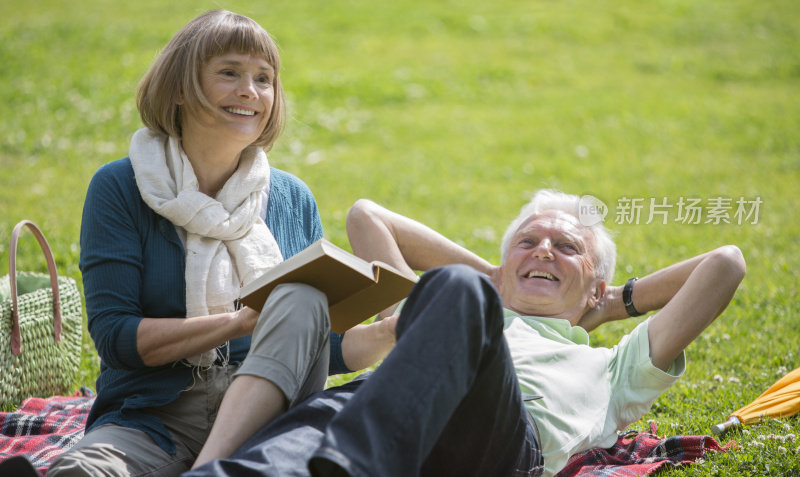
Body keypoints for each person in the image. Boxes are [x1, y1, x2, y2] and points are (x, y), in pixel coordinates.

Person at [47, 10, 395, 477]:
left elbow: (320, 347)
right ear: (177, 88)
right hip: (154, 419)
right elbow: (117, 340)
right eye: (229, 73)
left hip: (270, 423)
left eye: (264, 79)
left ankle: (211, 468)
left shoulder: (291, 198)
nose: (250, 91)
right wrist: (241, 322)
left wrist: (391, 331)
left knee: (299, 296)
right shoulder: (121, 187)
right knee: (79, 471)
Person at [184, 189, 746, 477]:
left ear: (597, 286)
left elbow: (725, 263)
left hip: (496, 446)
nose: (544, 248)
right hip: (380, 409)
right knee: (314, 427)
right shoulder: (459, 304)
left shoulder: (616, 367)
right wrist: (497, 282)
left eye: (567, 248)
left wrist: (603, 308)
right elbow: (366, 215)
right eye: (527, 242)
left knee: (454, 292)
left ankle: (357, 464)